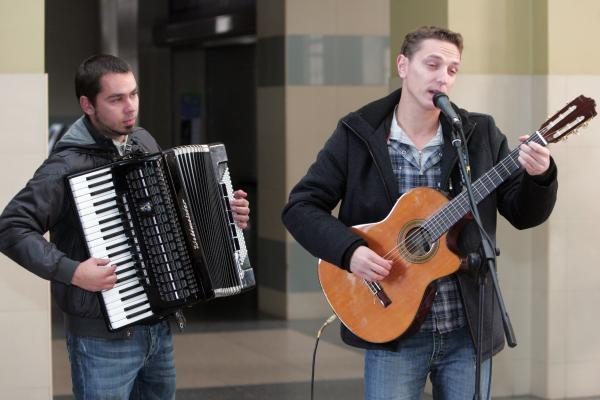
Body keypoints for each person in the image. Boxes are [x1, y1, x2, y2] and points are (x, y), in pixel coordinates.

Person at [282, 26, 557, 399]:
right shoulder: (358, 134)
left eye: (453, 69)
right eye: (432, 64)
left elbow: (523, 213)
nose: (443, 76)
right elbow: (300, 207)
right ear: (402, 65)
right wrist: (351, 252)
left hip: (466, 329)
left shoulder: (479, 134)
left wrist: (541, 177)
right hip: (392, 326)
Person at [0, 54, 250, 399]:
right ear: (87, 105)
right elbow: (11, 227)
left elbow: (175, 221)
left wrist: (226, 217)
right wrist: (72, 271)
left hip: (157, 328)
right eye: (116, 99)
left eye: (133, 94)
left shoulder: (143, 142)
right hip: (101, 338)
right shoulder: (65, 165)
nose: (130, 107)